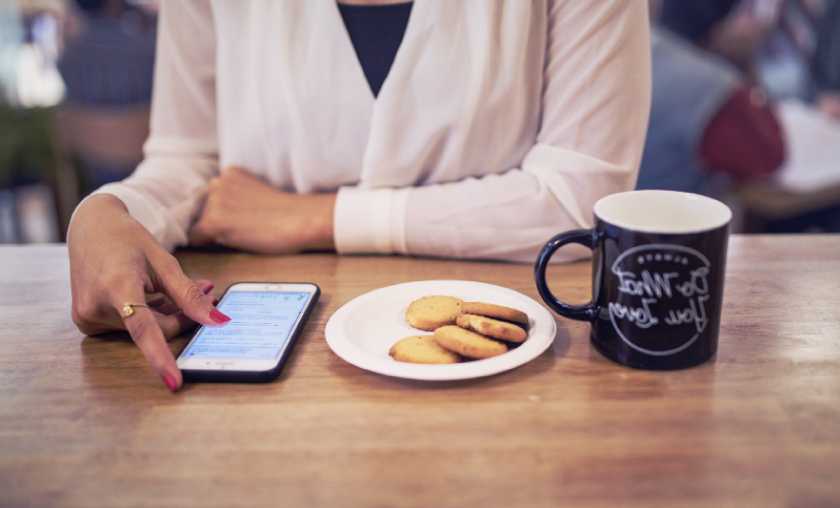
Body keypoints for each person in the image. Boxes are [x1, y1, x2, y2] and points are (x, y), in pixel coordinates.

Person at [68, 0, 651, 391]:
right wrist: (111, 210)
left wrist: (315, 217)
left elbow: (580, 197)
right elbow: (186, 160)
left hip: (533, 378)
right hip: (273, 385)